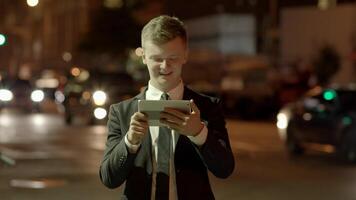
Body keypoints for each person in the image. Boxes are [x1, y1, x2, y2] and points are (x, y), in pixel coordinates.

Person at [99, 15, 235, 200]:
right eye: (157, 58)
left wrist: (199, 133)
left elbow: (225, 169)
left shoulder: (207, 107)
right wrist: (130, 142)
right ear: (144, 57)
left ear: (185, 55)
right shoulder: (122, 112)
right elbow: (109, 179)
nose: (165, 66)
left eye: (173, 57)